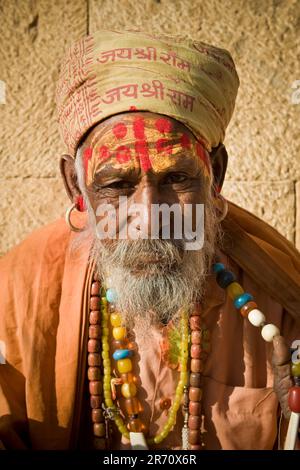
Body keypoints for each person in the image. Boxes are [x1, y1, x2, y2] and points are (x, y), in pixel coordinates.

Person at [0, 29, 299, 451]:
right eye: (118, 185)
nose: (149, 217)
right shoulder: (17, 293)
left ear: (216, 174)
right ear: (76, 186)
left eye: (176, 178)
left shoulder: (281, 295)